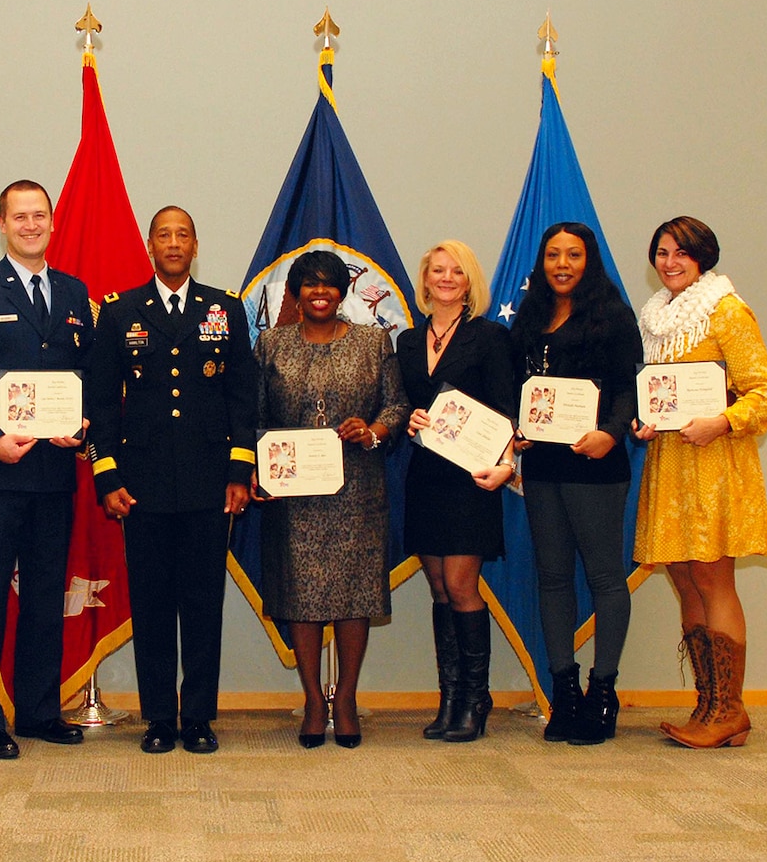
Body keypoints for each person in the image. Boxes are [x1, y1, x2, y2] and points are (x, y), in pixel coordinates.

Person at [85, 206, 258, 755]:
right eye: (165, 235)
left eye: (184, 234)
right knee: (154, 605)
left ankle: (199, 717)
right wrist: (106, 473)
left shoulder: (225, 309)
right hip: (142, 485)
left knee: (204, 605)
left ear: (196, 244)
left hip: (210, 484)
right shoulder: (119, 312)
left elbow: (241, 398)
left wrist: (239, 471)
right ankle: (159, 717)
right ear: (150, 245)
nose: (175, 243)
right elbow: (102, 404)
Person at [0, 180, 93, 759]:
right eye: (20, 216)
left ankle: (37, 710)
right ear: (1, 223)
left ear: (52, 222)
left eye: (40, 215)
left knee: (46, 595)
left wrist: (81, 427)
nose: (31, 225)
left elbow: (84, 378)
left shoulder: (76, 294)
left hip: (54, 473)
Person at [631, 216, 767, 748]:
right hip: (670, 464)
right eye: (663, 252)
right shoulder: (655, 318)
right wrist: (643, 422)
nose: (670, 263)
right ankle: (709, 706)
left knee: (714, 581)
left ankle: (729, 710)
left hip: (715, 465)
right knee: (685, 581)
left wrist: (721, 421)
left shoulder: (726, 311)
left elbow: (764, 393)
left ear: (703, 257)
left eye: (682, 254)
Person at [251, 249, 407, 749]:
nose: (320, 293)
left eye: (329, 284)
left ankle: (347, 700)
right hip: (294, 492)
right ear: (295, 292)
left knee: (354, 594)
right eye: (310, 285)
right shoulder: (271, 344)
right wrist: (263, 464)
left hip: (356, 489)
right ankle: (314, 701)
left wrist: (374, 430)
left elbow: (397, 403)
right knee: (302, 596)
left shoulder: (372, 341)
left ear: (343, 292)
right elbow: (253, 416)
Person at [508, 224, 642, 745]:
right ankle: (563, 689)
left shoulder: (612, 313)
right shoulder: (532, 315)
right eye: (553, 255)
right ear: (542, 262)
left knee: (607, 577)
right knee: (554, 577)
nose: (562, 264)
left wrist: (611, 433)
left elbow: (632, 383)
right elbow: (521, 388)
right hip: (543, 465)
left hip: (596, 464)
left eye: (574, 255)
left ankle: (602, 690)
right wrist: (516, 431)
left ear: (590, 260)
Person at [397, 240, 515, 743]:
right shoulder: (405, 340)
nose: (446, 278)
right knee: (438, 588)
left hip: (471, 480)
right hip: (425, 476)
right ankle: (449, 699)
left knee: (462, 586)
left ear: (470, 282)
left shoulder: (490, 337)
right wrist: (409, 418)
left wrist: (507, 465)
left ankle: (475, 698)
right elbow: (399, 404)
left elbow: (509, 409)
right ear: (425, 280)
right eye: (437, 270)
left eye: (457, 272)